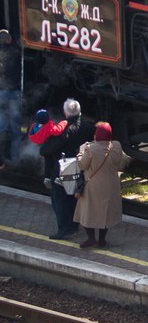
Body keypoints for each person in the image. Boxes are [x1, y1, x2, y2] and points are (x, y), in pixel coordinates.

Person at [40, 99, 96, 240]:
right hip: (80, 166)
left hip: (64, 167)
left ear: (65, 112)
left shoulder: (63, 129)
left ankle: (65, 228)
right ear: (79, 111)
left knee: (59, 200)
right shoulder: (88, 127)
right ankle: (74, 225)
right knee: (73, 198)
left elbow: (47, 149)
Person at [72, 122, 127, 249]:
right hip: (111, 186)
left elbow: (81, 165)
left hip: (93, 187)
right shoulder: (116, 146)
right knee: (105, 215)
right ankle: (102, 240)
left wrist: (81, 151)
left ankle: (91, 239)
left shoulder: (91, 149)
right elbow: (121, 161)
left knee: (86, 212)